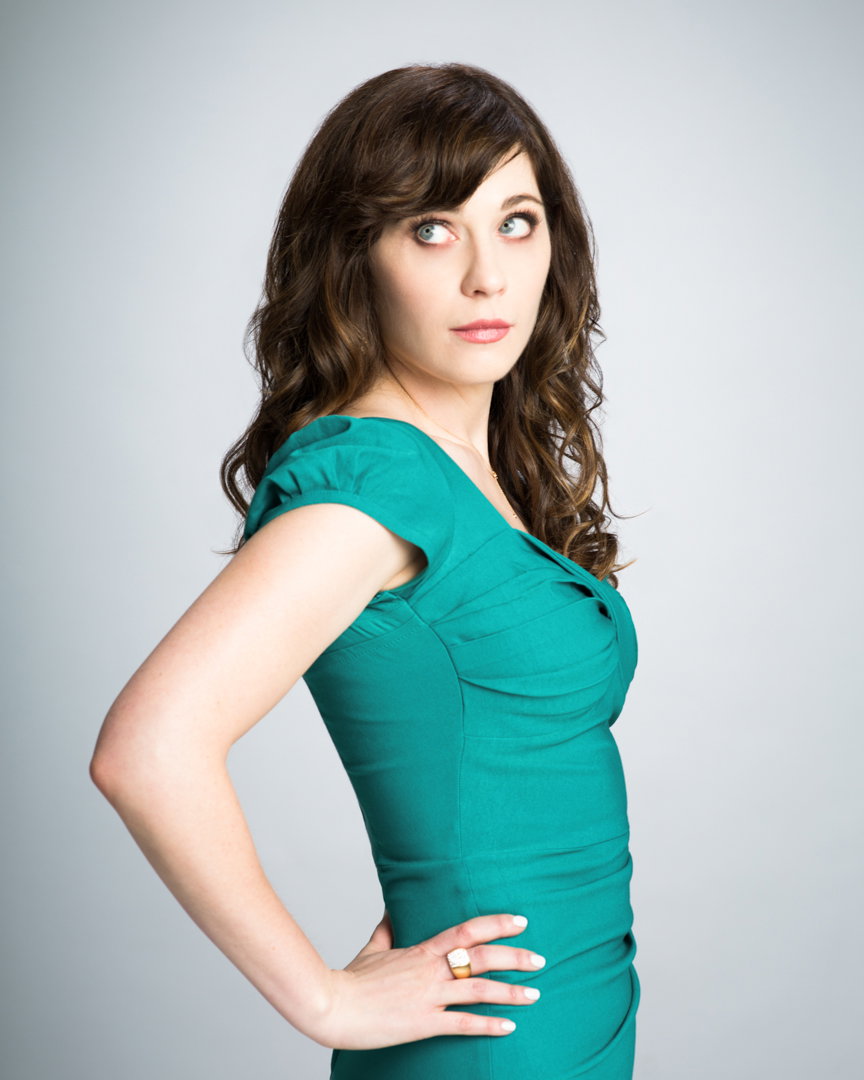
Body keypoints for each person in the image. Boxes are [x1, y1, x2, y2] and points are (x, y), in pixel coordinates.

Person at [90, 62, 641, 1079]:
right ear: (356, 257)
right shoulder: (375, 487)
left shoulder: (474, 467)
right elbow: (146, 749)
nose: (488, 276)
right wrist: (326, 999)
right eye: (432, 230)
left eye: (516, 222)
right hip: (494, 1051)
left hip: (567, 1020)